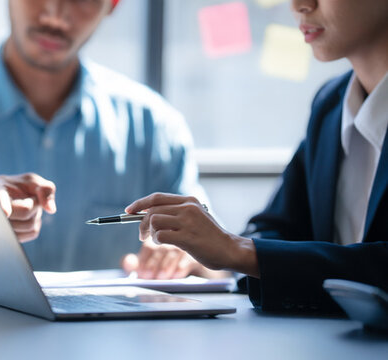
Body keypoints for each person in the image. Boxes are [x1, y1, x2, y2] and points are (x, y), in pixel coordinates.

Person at [0, 0, 225, 358]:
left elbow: (215, 266)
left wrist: (182, 253)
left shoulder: (153, 128)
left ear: (112, 4)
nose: (55, 14)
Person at [124, 0, 388, 313]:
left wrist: (240, 252)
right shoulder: (331, 105)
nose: (299, 5)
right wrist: (212, 257)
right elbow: (275, 229)